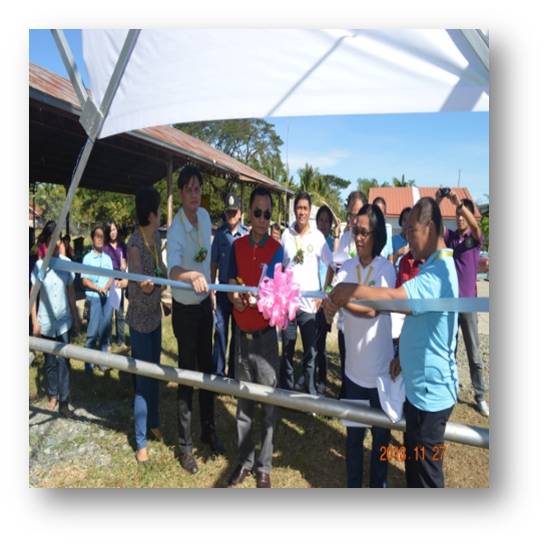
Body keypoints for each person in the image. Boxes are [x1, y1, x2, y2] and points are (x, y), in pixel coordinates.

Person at [325, 197, 459, 488]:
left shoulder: (435, 274)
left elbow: (390, 302)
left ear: (431, 227)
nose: (408, 237)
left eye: (412, 230)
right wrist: (405, 357)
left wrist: (348, 292)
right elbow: (420, 320)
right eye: (406, 230)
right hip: (374, 377)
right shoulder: (432, 267)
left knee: (420, 473)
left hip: (425, 393)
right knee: (411, 467)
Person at [167, 164, 225, 475]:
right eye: (189, 189)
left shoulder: (203, 217)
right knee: (188, 375)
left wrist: (210, 289)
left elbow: (207, 258)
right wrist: (191, 276)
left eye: (197, 189)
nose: (194, 194)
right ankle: (185, 445)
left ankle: (209, 429)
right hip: (185, 308)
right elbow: (173, 270)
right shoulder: (176, 228)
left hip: (204, 304)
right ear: (180, 193)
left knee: (208, 372)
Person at [226, 186, 284, 488]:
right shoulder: (236, 246)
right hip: (242, 335)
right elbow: (229, 279)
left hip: (264, 338)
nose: (261, 219)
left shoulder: (277, 249)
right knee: (244, 405)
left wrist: (257, 300)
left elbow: (276, 289)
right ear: (249, 212)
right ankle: (244, 462)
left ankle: (264, 467)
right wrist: (235, 295)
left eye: (267, 214)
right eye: (257, 212)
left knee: (269, 405)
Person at [335, 204, 396, 487]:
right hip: (352, 374)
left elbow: (373, 309)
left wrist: (342, 298)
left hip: (380, 376)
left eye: (364, 232)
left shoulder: (386, 269)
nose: (358, 237)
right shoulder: (346, 267)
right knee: (353, 444)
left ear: (377, 235)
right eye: (354, 231)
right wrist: (327, 305)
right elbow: (331, 301)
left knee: (380, 447)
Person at [280, 191, 334, 395]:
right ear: (294, 210)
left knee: (310, 354)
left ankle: (310, 394)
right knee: (287, 350)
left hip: (309, 306)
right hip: (289, 305)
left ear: (309, 211)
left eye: (305, 208)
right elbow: (281, 267)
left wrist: (323, 293)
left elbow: (331, 266)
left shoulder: (318, 237)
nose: (301, 212)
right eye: (299, 208)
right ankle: (286, 392)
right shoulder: (286, 235)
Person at [126, 188, 166, 463]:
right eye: (159, 209)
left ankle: (153, 422)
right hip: (139, 319)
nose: (161, 214)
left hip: (155, 317)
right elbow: (142, 280)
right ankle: (140, 441)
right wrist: (150, 283)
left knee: (155, 372)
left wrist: (164, 283)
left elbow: (161, 270)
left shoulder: (157, 237)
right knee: (142, 378)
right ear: (151, 213)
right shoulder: (134, 243)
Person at [443, 192, 489, 417]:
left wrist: (459, 204)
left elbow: (473, 223)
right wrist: (438, 198)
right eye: (457, 215)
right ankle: (450, 389)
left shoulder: (475, 238)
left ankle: (479, 396)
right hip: (451, 304)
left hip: (469, 304)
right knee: (449, 350)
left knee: (474, 353)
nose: (459, 218)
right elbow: (433, 222)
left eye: (463, 215)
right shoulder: (451, 238)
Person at [30, 221, 80, 417]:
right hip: (46, 322)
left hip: (64, 321)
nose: (57, 243)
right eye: (53, 238)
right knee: (50, 361)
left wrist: (76, 318)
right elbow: (33, 296)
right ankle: (53, 394)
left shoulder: (67, 264)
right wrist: (34, 321)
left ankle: (64, 402)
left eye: (59, 239)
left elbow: (71, 292)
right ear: (47, 241)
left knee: (64, 361)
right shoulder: (40, 266)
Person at [210, 192, 248, 377]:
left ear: (240, 213)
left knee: (237, 335)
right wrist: (211, 289)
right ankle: (218, 372)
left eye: (234, 212)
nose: (231, 216)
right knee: (220, 330)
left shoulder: (247, 235)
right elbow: (214, 263)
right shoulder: (219, 235)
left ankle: (234, 374)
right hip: (223, 289)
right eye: (228, 212)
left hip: (240, 292)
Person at [335, 190, 367, 397]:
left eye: (357, 214)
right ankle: (346, 394)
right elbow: (337, 268)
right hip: (344, 315)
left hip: (364, 313)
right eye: (350, 214)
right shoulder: (346, 237)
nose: (353, 220)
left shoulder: (372, 240)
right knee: (345, 358)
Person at [81, 226, 114, 375]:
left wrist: (106, 286)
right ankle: (88, 363)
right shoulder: (87, 258)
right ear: (92, 238)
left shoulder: (107, 258)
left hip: (107, 299)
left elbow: (111, 276)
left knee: (105, 331)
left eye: (102, 236)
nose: (100, 239)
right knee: (92, 332)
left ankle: (103, 362)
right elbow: (84, 280)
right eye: (97, 236)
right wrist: (97, 288)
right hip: (94, 298)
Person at [315, 204, 336, 395]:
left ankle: (321, 379)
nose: (323, 224)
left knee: (320, 344)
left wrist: (325, 293)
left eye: (326, 221)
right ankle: (310, 376)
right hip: (311, 299)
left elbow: (332, 271)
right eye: (320, 220)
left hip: (324, 300)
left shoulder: (331, 244)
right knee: (311, 342)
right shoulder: (312, 241)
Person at [104, 221, 128, 348]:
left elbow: (125, 262)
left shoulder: (122, 245)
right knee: (108, 314)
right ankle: (107, 341)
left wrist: (124, 266)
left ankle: (121, 339)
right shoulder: (105, 247)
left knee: (120, 312)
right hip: (108, 282)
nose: (113, 232)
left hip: (119, 282)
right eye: (110, 230)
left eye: (114, 229)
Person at [372, 196, 393, 261]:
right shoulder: (368, 230)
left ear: (385, 214)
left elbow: (390, 255)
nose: (378, 216)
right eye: (376, 212)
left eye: (381, 213)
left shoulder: (388, 230)